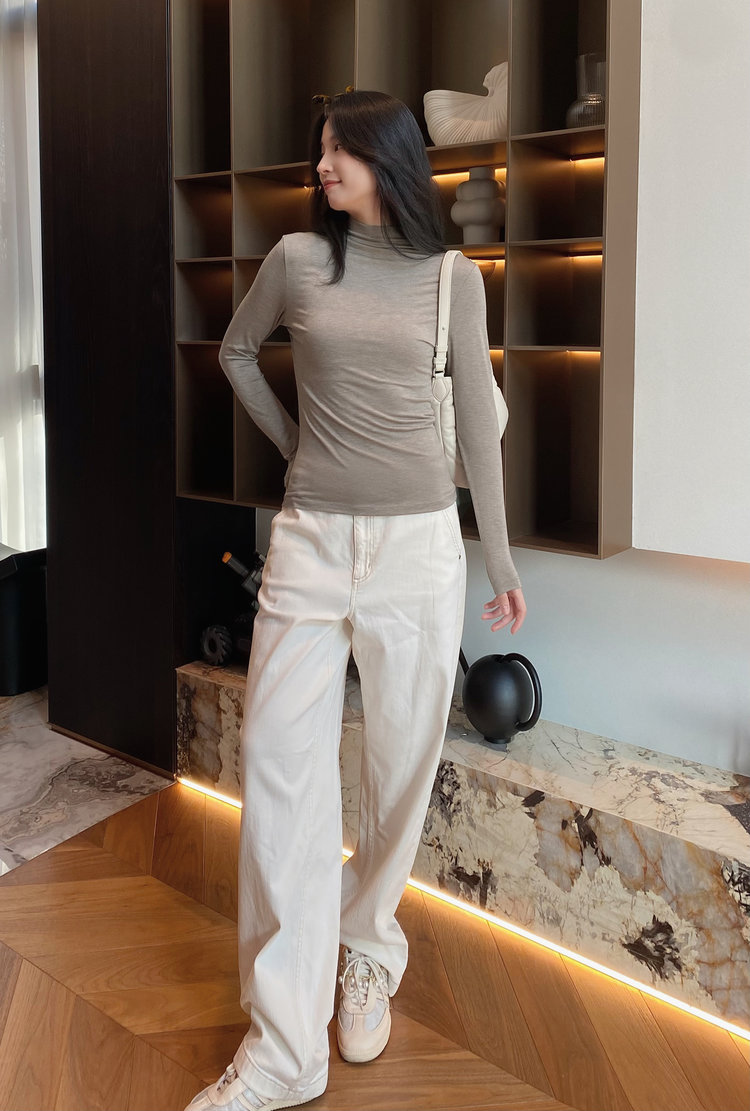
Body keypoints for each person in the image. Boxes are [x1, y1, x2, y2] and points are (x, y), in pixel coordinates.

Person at [186, 89, 526, 1111]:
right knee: (277, 766)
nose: (323, 164)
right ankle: (284, 1051)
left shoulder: (453, 278)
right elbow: (235, 353)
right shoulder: (296, 259)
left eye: (342, 149)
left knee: (398, 772)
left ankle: (368, 949)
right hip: (310, 544)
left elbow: (477, 425)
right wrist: (299, 445)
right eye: (321, 148)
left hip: (419, 550)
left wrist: (503, 562)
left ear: (392, 159)